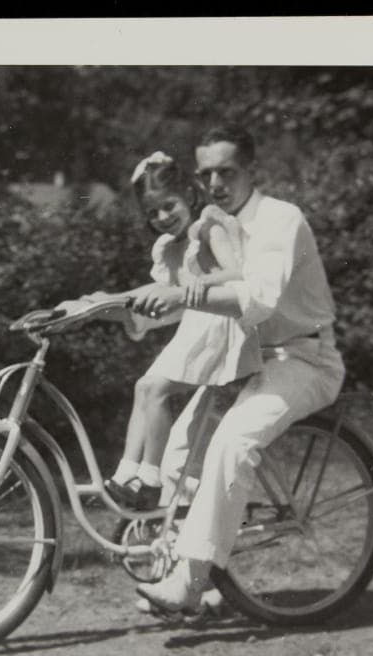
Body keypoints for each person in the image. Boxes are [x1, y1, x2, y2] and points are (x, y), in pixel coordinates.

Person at [122, 124, 347, 614]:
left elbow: (258, 299)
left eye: (228, 171)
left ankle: (191, 577)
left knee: (231, 442)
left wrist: (181, 294)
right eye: (206, 172)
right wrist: (132, 310)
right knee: (179, 455)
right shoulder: (208, 226)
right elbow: (200, 298)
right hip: (243, 362)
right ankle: (198, 586)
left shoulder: (280, 220)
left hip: (303, 359)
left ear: (253, 170)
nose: (216, 182)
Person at [103, 150, 264, 511]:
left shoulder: (207, 226)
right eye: (153, 213)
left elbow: (240, 273)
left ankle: (150, 476)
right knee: (143, 387)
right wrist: (106, 300)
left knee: (158, 389)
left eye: (169, 206)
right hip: (195, 329)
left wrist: (204, 283)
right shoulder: (168, 248)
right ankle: (126, 471)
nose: (162, 217)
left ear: (189, 195)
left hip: (221, 327)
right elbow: (157, 293)